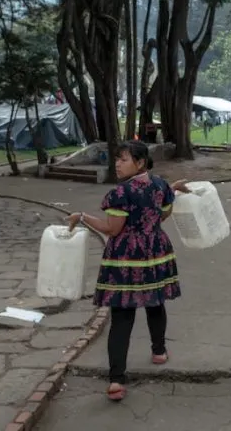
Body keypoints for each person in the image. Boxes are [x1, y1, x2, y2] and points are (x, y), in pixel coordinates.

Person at [67, 140, 189, 401]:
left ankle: (116, 381)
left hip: (126, 257)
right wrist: (172, 192)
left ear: (140, 162)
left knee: (122, 316)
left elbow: (112, 229)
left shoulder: (120, 193)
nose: (117, 164)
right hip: (156, 251)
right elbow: (163, 216)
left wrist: (82, 216)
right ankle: (159, 351)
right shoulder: (160, 185)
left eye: (123, 159)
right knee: (155, 302)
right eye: (117, 159)